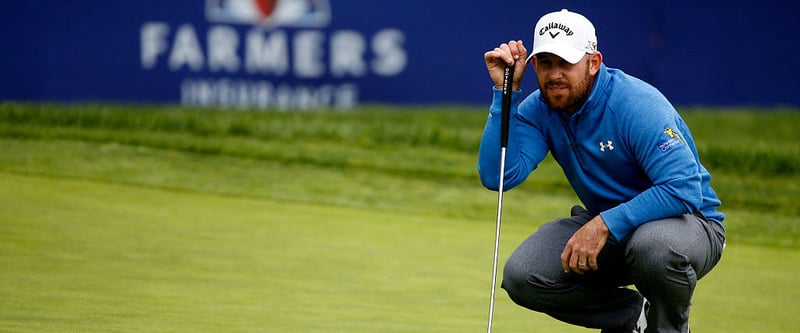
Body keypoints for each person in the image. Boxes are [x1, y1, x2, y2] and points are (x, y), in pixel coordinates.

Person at [477, 9, 726, 333]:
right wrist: (504, 96)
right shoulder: (542, 107)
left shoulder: (636, 104)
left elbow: (683, 188)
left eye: (565, 63)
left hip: (689, 224)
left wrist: (606, 223)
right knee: (524, 274)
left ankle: (668, 329)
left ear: (593, 62)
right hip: (610, 228)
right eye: (546, 63)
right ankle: (634, 318)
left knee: (653, 247)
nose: (555, 75)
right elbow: (498, 176)